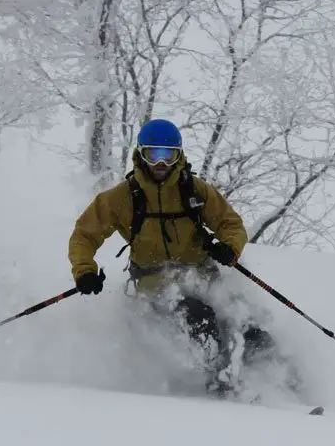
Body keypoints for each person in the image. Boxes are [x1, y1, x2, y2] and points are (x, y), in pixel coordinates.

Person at [67, 118, 290, 398]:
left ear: (179, 155)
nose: (161, 164)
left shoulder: (194, 191)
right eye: (154, 155)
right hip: (155, 286)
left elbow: (231, 224)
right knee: (201, 317)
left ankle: (288, 386)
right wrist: (84, 271)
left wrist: (229, 248)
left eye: (168, 155)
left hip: (201, 274)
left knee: (246, 324)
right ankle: (222, 384)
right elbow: (83, 236)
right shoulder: (123, 198)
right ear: (141, 154)